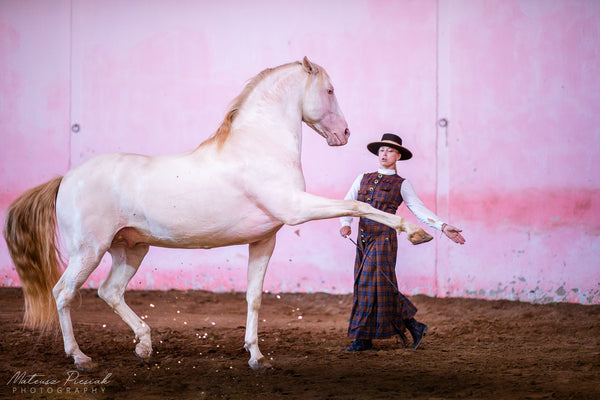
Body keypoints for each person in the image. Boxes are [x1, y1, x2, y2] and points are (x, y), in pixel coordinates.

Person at [339, 133, 465, 351]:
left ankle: (363, 339)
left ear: (398, 155)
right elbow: (348, 202)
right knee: (368, 285)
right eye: (381, 150)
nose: (384, 154)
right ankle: (411, 327)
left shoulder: (402, 184)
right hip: (363, 239)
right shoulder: (362, 178)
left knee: (373, 283)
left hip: (384, 239)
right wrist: (345, 222)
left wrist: (443, 226)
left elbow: (418, 209)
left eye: (389, 151)